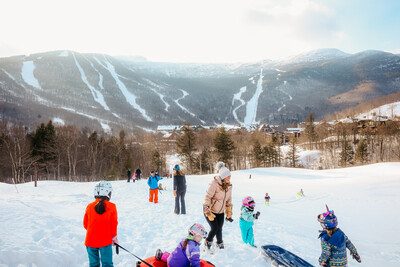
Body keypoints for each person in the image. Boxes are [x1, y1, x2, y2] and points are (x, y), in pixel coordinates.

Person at [83, 181, 118, 267]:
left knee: (93, 264)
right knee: (107, 264)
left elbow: (85, 224)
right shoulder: (112, 207)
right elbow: (114, 224)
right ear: (107, 193)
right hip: (105, 241)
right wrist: (114, 237)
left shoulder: (89, 206)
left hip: (90, 241)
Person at [203, 161, 233, 251]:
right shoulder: (214, 183)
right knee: (214, 227)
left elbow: (228, 200)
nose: (229, 177)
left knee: (219, 228)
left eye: (230, 176)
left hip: (220, 211)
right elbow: (207, 197)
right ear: (223, 176)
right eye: (228, 176)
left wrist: (229, 213)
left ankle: (219, 242)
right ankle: (208, 241)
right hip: (210, 210)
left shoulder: (229, 186)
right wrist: (207, 210)